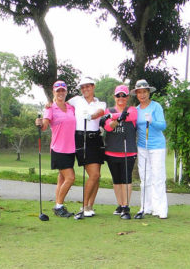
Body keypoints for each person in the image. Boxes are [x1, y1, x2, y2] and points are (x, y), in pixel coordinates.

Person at [35, 80, 76, 217]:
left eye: (63, 90)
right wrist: (40, 124)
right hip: (58, 148)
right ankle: (59, 206)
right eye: (58, 91)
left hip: (71, 149)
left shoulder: (71, 108)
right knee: (70, 178)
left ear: (66, 92)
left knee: (62, 178)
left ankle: (58, 205)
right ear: (54, 92)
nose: (61, 93)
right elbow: (45, 125)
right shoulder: (50, 108)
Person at [67, 77, 106, 219]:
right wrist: (48, 105)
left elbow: (101, 112)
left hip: (95, 138)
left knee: (97, 176)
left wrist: (92, 115)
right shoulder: (76, 100)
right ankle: (84, 206)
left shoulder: (100, 102)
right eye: (82, 87)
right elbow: (61, 104)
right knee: (94, 174)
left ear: (93, 87)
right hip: (81, 138)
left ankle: (90, 205)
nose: (85, 89)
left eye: (87, 87)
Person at [130, 79, 168, 219]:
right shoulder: (136, 110)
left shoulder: (156, 106)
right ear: (137, 94)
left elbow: (163, 126)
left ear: (148, 93)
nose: (142, 95)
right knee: (145, 177)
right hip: (142, 146)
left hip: (157, 146)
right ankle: (146, 206)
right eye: (139, 92)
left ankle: (160, 209)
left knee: (158, 177)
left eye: (144, 92)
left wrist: (152, 121)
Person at [101, 85, 137, 220]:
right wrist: (117, 118)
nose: (121, 98)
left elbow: (130, 116)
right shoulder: (108, 110)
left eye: (123, 95)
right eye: (118, 96)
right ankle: (120, 205)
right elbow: (108, 127)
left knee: (126, 180)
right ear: (114, 97)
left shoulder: (132, 109)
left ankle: (126, 206)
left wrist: (112, 117)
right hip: (112, 151)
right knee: (116, 181)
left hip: (128, 151)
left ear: (127, 97)